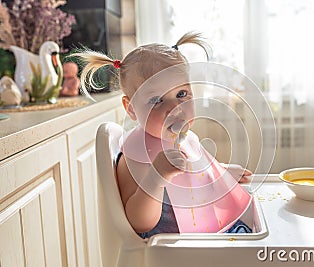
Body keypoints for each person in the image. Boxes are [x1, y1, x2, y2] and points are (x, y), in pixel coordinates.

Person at [74, 32, 253, 239]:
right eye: (156, 100)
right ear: (131, 108)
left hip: (202, 237)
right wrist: (155, 178)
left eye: (181, 94)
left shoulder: (184, 139)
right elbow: (138, 222)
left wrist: (221, 174)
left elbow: (196, 174)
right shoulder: (135, 155)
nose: (175, 108)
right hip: (166, 251)